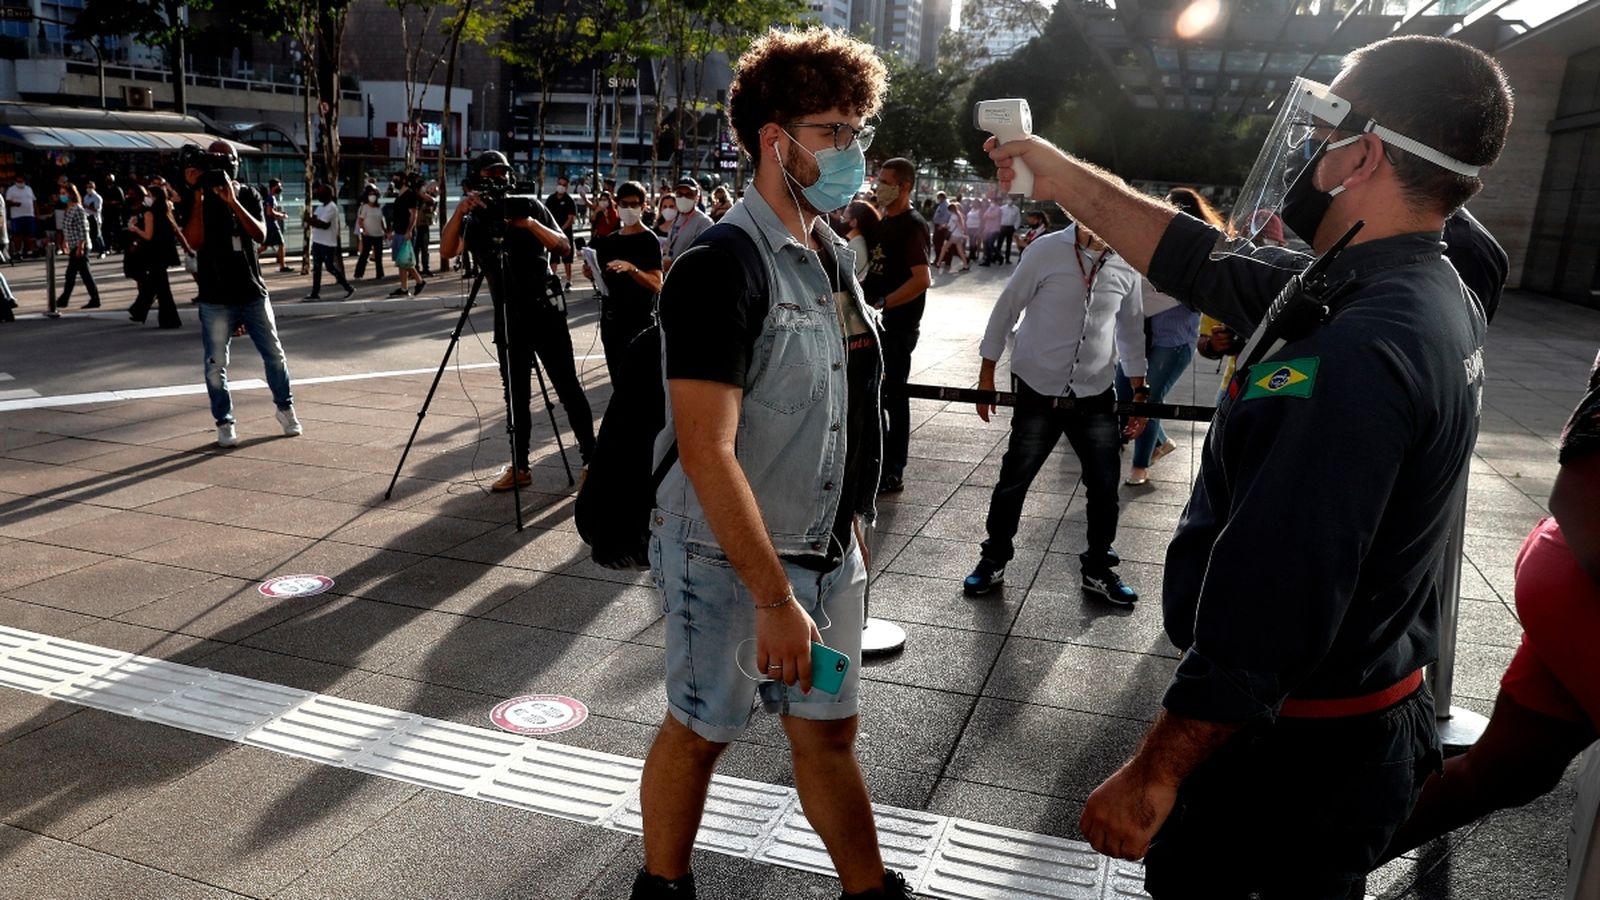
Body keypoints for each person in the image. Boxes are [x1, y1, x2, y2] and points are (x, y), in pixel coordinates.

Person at [986, 35, 1511, 896]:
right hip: (1358, 728)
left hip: (1292, 762)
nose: (1305, 152)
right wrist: (1056, 173)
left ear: (1364, 155)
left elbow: (1274, 604)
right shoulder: (1421, 280)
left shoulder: (1359, 345)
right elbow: (1201, 261)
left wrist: (1155, 771)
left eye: (1322, 135)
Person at [635, 27, 909, 900]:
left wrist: (848, 530)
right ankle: (662, 887)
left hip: (824, 552)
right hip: (726, 558)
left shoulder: (834, 254)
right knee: (701, 727)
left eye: (856, 129)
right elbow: (708, 450)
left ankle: (872, 891)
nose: (851, 150)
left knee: (827, 736)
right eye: (832, 130)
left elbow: (844, 407)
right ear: (774, 140)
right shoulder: (720, 262)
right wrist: (774, 598)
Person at [1381, 349, 1600, 863]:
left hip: (1570, 566)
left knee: (1505, 771)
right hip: (1587, 567)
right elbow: (1582, 485)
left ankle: (1298, 874)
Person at [964, 222, 1147, 602]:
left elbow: (1131, 329)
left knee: (1104, 487)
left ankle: (1098, 567)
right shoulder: (1046, 250)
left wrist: (1139, 390)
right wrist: (987, 373)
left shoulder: (1126, 262)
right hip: (1038, 385)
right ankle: (993, 559)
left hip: (1095, 389)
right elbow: (1007, 307)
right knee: (1015, 477)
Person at [439, 150, 596, 491]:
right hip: (509, 316)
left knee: (567, 387)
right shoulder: (475, 220)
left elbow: (564, 246)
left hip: (545, 311)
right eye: (491, 174)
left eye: (503, 174)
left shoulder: (530, 207)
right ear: (476, 179)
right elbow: (448, 251)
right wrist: (460, 211)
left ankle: (591, 461)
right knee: (516, 395)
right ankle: (520, 466)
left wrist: (528, 224)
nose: (498, 180)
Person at [178, 141, 305, 448]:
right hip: (214, 296)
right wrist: (197, 194)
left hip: (251, 292)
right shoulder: (197, 197)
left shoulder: (249, 193)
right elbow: (193, 241)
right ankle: (224, 422)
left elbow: (261, 234)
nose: (218, 166)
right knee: (215, 364)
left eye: (224, 160)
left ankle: (285, 408)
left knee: (274, 356)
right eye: (212, 160)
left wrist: (232, 201)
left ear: (235, 163)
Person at [1118, 188, 1213, 486]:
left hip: (1173, 340)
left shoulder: (1202, 248)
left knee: (1149, 398)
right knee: (1123, 390)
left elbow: (1197, 291)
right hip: (1139, 336)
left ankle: (1140, 466)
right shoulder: (1151, 242)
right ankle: (1159, 442)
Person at [861, 157, 931, 495]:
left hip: (897, 328)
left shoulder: (912, 225)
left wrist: (884, 303)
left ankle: (894, 469)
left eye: (886, 181)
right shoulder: (884, 221)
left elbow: (922, 279)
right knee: (876, 396)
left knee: (895, 397)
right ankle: (876, 462)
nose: (879, 187)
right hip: (875, 323)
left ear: (904, 186)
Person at [583, 180, 662, 394]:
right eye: (624, 204)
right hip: (612, 321)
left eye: (634, 204)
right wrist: (592, 273)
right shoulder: (609, 241)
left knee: (639, 386)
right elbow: (606, 280)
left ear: (644, 205)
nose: (629, 209)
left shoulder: (648, 240)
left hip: (638, 321)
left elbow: (656, 284)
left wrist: (632, 269)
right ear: (617, 205)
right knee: (619, 383)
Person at [124, 183, 183, 329]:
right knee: (159, 286)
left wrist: (135, 229)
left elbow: (148, 236)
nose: (147, 198)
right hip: (164, 253)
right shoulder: (165, 210)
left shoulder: (150, 213)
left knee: (160, 287)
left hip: (154, 254)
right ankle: (144, 312)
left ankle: (149, 313)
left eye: (150, 195)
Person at [304, 184, 354, 301]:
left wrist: (309, 220)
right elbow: (316, 220)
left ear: (328, 194)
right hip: (317, 241)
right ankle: (315, 293)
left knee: (330, 267)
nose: (318, 195)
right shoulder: (321, 207)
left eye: (321, 193)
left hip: (327, 243)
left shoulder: (332, 207)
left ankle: (348, 287)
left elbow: (324, 224)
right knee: (316, 268)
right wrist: (312, 220)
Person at [54, 184, 101, 309]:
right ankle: (64, 299)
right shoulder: (68, 208)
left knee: (82, 274)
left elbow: (83, 229)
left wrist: (80, 247)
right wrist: (65, 241)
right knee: (72, 274)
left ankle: (94, 299)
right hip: (73, 244)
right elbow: (67, 227)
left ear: (71, 194)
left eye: (64, 193)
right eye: (61, 193)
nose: (62, 196)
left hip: (81, 245)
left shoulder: (78, 209)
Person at [661, 177, 713, 273]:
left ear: (696, 197)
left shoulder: (704, 222)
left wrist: (674, 264)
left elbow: (704, 257)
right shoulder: (677, 217)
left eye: (689, 194)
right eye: (679, 194)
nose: (683, 198)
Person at [389, 174, 426, 297]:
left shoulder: (410, 195)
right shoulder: (399, 195)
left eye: (397, 179)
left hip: (405, 233)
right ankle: (404, 288)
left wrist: (409, 230)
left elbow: (414, 215)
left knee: (404, 260)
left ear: (404, 180)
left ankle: (419, 281)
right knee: (401, 262)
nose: (394, 181)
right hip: (399, 231)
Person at [545, 174, 578, 288]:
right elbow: (546, 215)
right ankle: (552, 279)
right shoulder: (550, 199)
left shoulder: (569, 201)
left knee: (567, 258)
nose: (561, 187)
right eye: (560, 184)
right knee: (553, 257)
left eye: (564, 185)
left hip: (565, 234)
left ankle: (568, 280)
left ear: (567, 187)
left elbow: (571, 219)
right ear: (557, 184)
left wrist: (561, 230)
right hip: (552, 233)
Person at [354, 189, 388, 280]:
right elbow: (360, 221)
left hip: (378, 234)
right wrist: (363, 230)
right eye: (370, 194)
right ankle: (358, 274)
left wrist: (385, 231)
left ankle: (380, 274)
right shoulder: (364, 207)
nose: (372, 196)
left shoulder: (378, 208)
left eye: (374, 194)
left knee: (378, 255)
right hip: (368, 235)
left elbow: (381, 220)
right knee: (364, 254)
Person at [843, 199, 878, 284]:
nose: (841, 221)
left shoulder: (853, 247)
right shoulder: (868, 242)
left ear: (854, 222)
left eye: (844, 218)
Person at [259, 178, 289, 272]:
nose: (280, 188)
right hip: (272, 225)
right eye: (279, 186)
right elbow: (269, 212)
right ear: (273, 187)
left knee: (264, 246)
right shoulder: (271, 198)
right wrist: (281, 215)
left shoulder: (270, 198)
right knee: (281, 243)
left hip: (268, 225)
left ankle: (251, 258)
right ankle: (282, 266)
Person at [6, 174, 37, 257]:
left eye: (22, 181)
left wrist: (35, 213)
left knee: (29, 234)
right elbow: (7, 202)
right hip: (17, 216)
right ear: (15, 181)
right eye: (19, 181)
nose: (20, 183)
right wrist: (15, 204)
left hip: (29, 215)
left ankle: (29, 251)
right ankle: (18, 251)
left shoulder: (28, 189)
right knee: (17, 235)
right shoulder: (11, 190)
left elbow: (34, 201)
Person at [937, 201, 970, 273]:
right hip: (958, 236)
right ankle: (966, 265)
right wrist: (962, 234)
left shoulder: (953, 216)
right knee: (960, 251)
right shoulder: (959, 215)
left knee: (944, 248)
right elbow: (959, 226)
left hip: (953, 235)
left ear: (950, 210)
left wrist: (944, 226)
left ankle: (938, 263)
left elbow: (952, 226)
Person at [416, 180, 437, 276]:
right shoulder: (414, 198)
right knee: (415, 249)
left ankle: (426, 268)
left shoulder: (426, 197)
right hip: (415, 226)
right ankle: (415, 269)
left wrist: (422, 193)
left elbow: (432, 201)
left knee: (424, 249)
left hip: (424, 226)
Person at [82, 180, 105, 256]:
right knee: (88, 235)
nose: (88, 188)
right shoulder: (86, 197)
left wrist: (87, 206)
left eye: (90, 187)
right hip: (87, 218)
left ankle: (102, 250)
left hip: (95, 218)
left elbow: (97, 209)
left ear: (94, 187)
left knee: (98, 235)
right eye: (87, 187)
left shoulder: (97, 197)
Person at [997, 196, 1020, 264]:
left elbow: (1018, 219)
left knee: (1008, 244)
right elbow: (998, 218)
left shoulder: (1016, 209)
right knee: (999, 243)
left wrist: (1015, 228)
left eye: (1012, 200)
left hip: (1010, 227)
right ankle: (997, 257)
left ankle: (1007, 259)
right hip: (1002, 227)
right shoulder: (1002, 208)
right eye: (1010, 199)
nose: (1011, 201)